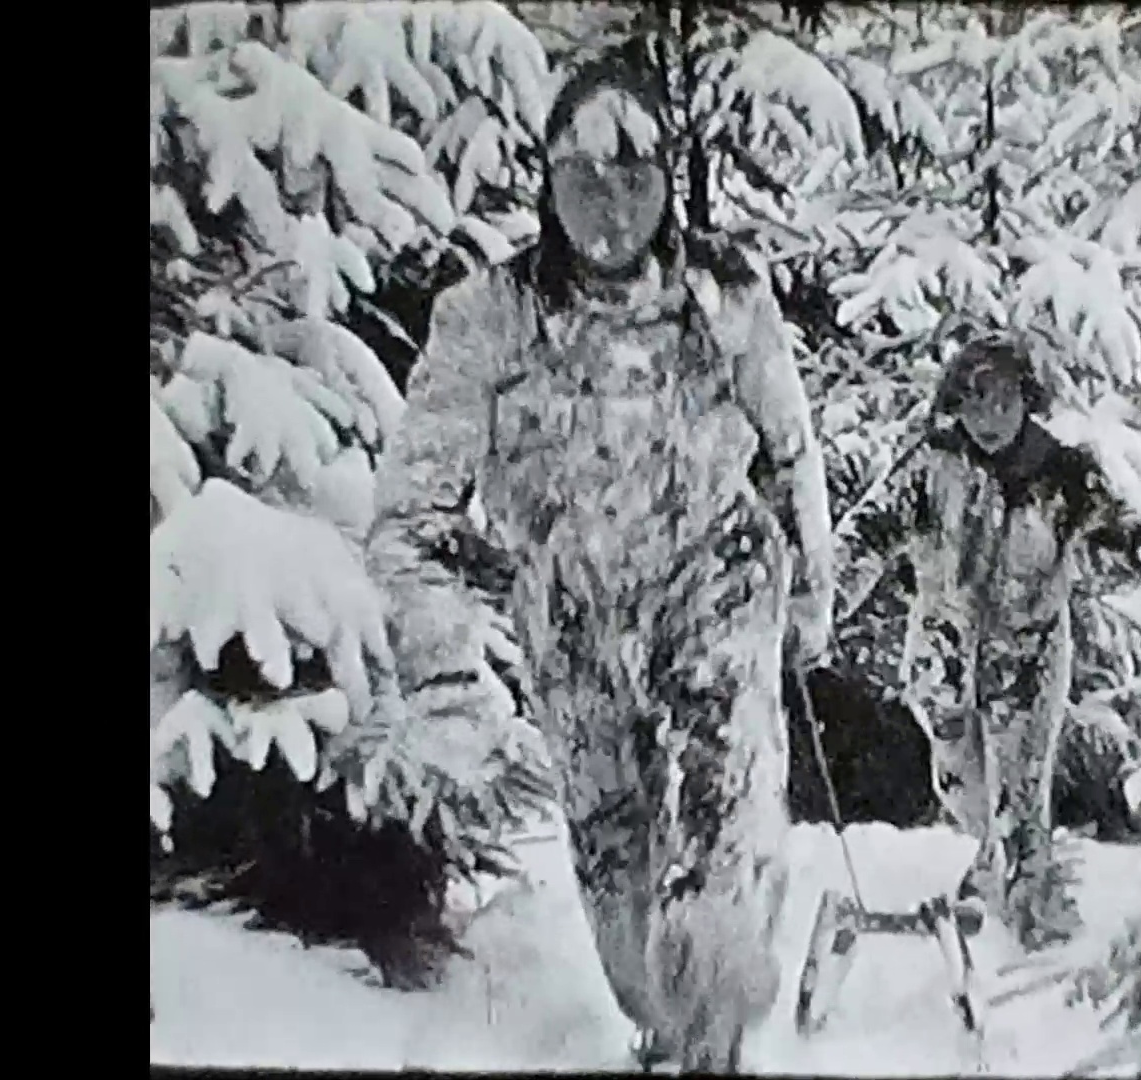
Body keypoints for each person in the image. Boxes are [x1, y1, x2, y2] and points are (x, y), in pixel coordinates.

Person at [367, 53, 836, 1073]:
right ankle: (666, 1031)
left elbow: (790, 452)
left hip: (716, 579)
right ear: (548, 181)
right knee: (618, 876)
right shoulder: (488, 318)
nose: (612, 204)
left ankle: (716, 1029)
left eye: (635, 175)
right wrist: (448, 676)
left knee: (711, 829)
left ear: (670, 180)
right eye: (584, 176)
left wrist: (810, 604)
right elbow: (411, 518)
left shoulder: (727, 294)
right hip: (573, 622)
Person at [841, 332, 1141, 952]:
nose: (990, 419)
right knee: (959, 785)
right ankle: (988, 869)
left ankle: (1036, 921)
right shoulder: (931, 465)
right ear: (956, 405)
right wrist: (825, 600)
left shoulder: (1063, 473)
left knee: (1020, 795)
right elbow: (866, 535)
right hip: (942, 652)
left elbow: (1131, 533)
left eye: (1003, 402)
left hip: (1025, 655)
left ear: (1027, 398)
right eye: (975, 403)